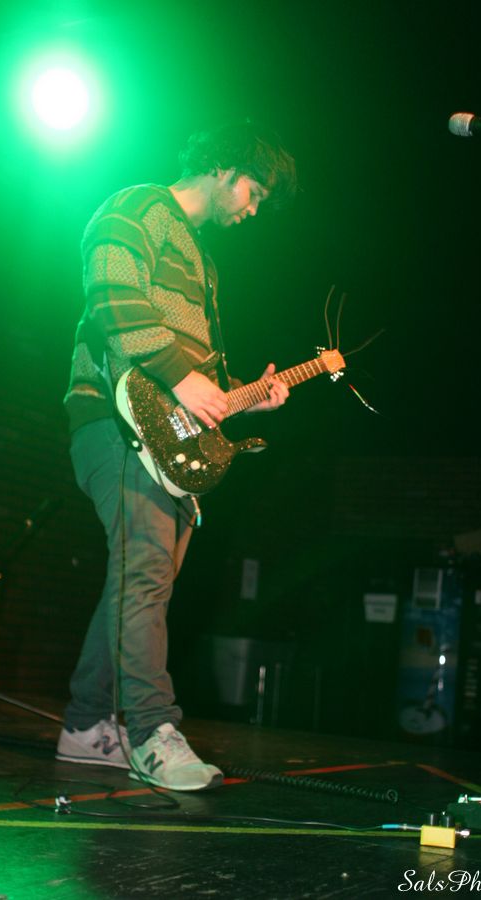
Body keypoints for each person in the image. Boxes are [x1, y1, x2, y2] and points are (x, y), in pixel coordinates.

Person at [56, 122, 297, 791]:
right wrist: (180, 376)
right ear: (224, 168)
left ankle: (86, 724)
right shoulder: (138, 206)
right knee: (146, 571)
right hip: (113, 418)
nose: (253, 209)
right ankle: (151, 731)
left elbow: (197, 380)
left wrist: (245, 397)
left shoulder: (203, 263)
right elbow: (110, 296)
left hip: (167, 431)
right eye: (254, 191)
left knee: (142, 577)